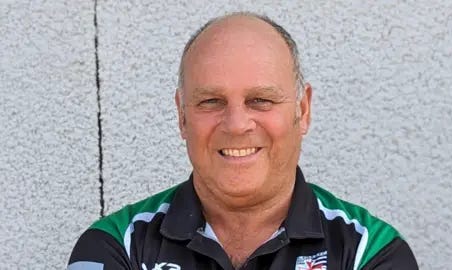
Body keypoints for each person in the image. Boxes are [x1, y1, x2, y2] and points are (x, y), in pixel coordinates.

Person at [68, 12, 418, 270]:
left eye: (261, 100)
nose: (236, 124)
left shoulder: (370, 250)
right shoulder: (116, 245)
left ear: (303, 110)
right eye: (211, 102)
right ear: (182, 115)